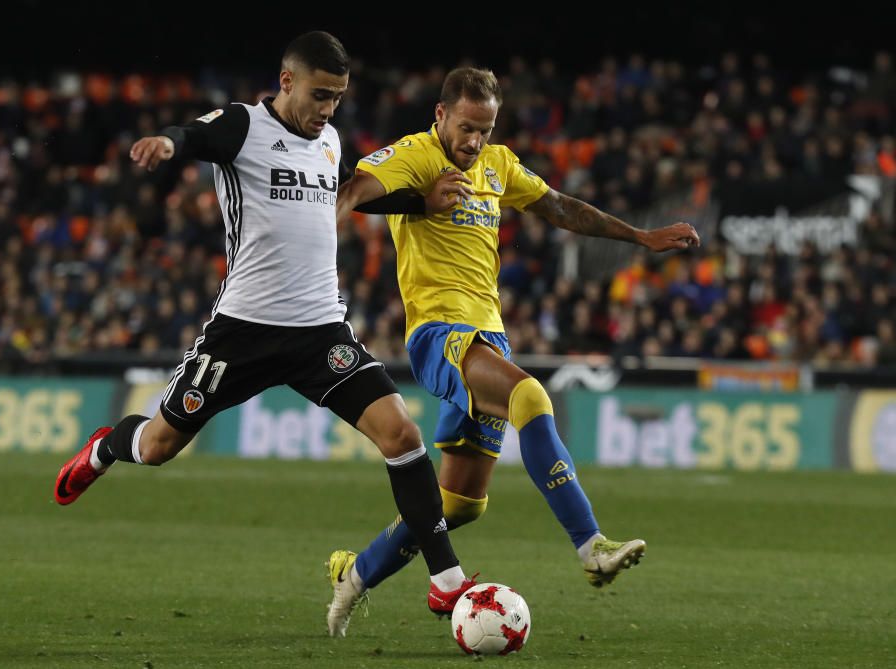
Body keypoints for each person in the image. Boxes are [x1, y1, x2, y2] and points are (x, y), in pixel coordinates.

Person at [52, 31, 479, 626]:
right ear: (287, 82)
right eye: (319, 94)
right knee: (156, 448)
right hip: (242, 334)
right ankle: (103, 447)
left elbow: (349, 196)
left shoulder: (328, 141)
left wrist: (418, 204)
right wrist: (167, 145)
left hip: (319, 333)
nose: (328, 109)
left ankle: (447, 580)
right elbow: (194, 135)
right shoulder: (243, 126)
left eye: (337, 97)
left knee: (403, 435)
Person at [326, 67, 701, 637]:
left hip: (488, 336)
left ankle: (354, 575)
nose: (474, 141)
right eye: (467, 127)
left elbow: (560, 207)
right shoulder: (416, 156)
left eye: (486, 128)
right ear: (441, 115)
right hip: (439, 334)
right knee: (530, 394)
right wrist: (404, 205)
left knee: (456, 505)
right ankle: (591, 545)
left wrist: (641, 238)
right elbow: (350, 192)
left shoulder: (498, 165)